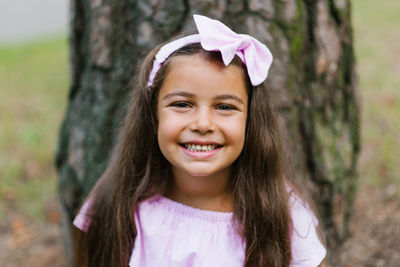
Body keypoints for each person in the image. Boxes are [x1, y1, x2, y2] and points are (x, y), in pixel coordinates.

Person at [72, 14, 326, 267]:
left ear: (251, 121)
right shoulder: (119, 199)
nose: (202, 124)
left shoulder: (281, 213)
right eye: (182, 104)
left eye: (225, 107)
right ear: (153, 116)